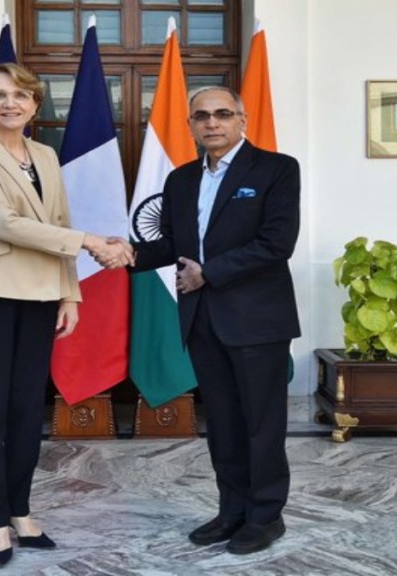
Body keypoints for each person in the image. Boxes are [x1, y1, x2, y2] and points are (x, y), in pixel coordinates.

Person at [0, 61, 133, 568]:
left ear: (35, 104)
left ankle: (22, 511)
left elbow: (57, 223)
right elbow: (2, 223)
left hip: (40, 294)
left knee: (28, 409)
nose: (10, 103)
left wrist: (69, 293)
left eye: (21, 96)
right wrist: (92, 242)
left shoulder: (45, 154)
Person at [128, 86, 301, 554]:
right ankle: (232, 510)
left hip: (257, 321)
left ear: (242, 119)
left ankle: (266, 516)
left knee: (261, 424)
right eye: (202, 116)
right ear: (190, 125)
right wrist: (122, 254)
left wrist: (209, 273)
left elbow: (276, 243)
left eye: (223, 114)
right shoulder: (181, 180)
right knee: (223, 422)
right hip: (203, 320)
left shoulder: (277, 170)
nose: (212, 123)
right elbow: (170, 244)